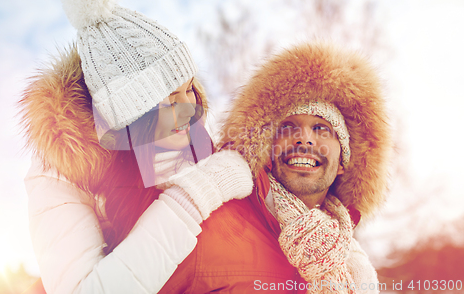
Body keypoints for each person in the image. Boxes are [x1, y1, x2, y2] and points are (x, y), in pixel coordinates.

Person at [19, 0, 252, 294]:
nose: (188, 108)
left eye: (189, 89)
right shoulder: (57, 174)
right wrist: (196, 195)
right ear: (130, 112)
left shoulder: (177, 135)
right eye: (170, 98)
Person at [159, 42, 391, 293]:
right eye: (288, 127)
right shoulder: (210, 223)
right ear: (268, 147)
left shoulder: (357, 270)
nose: (304, 139)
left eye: (321, 128)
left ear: (344, 163)